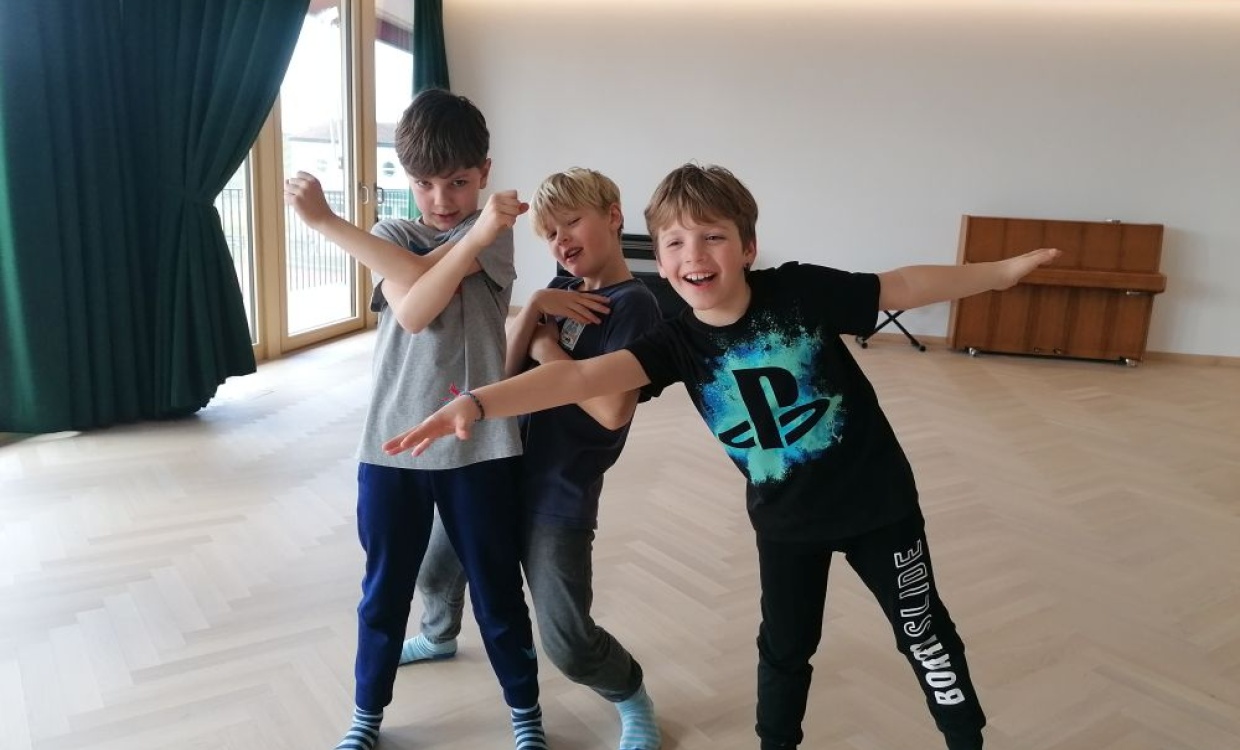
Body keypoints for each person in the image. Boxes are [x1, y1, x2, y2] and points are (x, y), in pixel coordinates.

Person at [382, 163, 1062, 750]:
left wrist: (1001, 273)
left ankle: (965, 739)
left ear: (747, 247)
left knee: (924, 636)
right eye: (676, 242)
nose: (694, 254)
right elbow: (581, 378)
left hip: (880, 509)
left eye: (712, 236)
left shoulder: (798, 291)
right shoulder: (676, 342)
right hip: (786, 525)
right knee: (785, 652)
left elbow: (901, 286)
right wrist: (476, 404)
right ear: (661, 258)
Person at [283, 88, 546, 750]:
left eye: (458, 182)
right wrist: (329, 224)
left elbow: (425, 287)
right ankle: (365, 718)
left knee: (497, 590)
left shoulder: (497, 233)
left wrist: (480, 231)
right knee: (384, 591)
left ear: (484, 173)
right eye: (424, 183)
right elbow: (415, 307)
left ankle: (526, 716)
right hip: (391, 446)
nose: (441, 198)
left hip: (481, 444)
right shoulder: (391, 235)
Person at [401, 168, 664, 750]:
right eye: (549, 233)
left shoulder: (635, 305)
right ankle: (439, 634)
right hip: (496, 470)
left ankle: (630, 694)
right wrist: (536, 307)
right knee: (434, 569)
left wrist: (546, 342)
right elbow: (503, 372)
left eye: (571, 222)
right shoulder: (563, 288)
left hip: (559, 493)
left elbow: (611, 409)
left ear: (613, 216)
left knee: (567, 641)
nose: (561, 240)